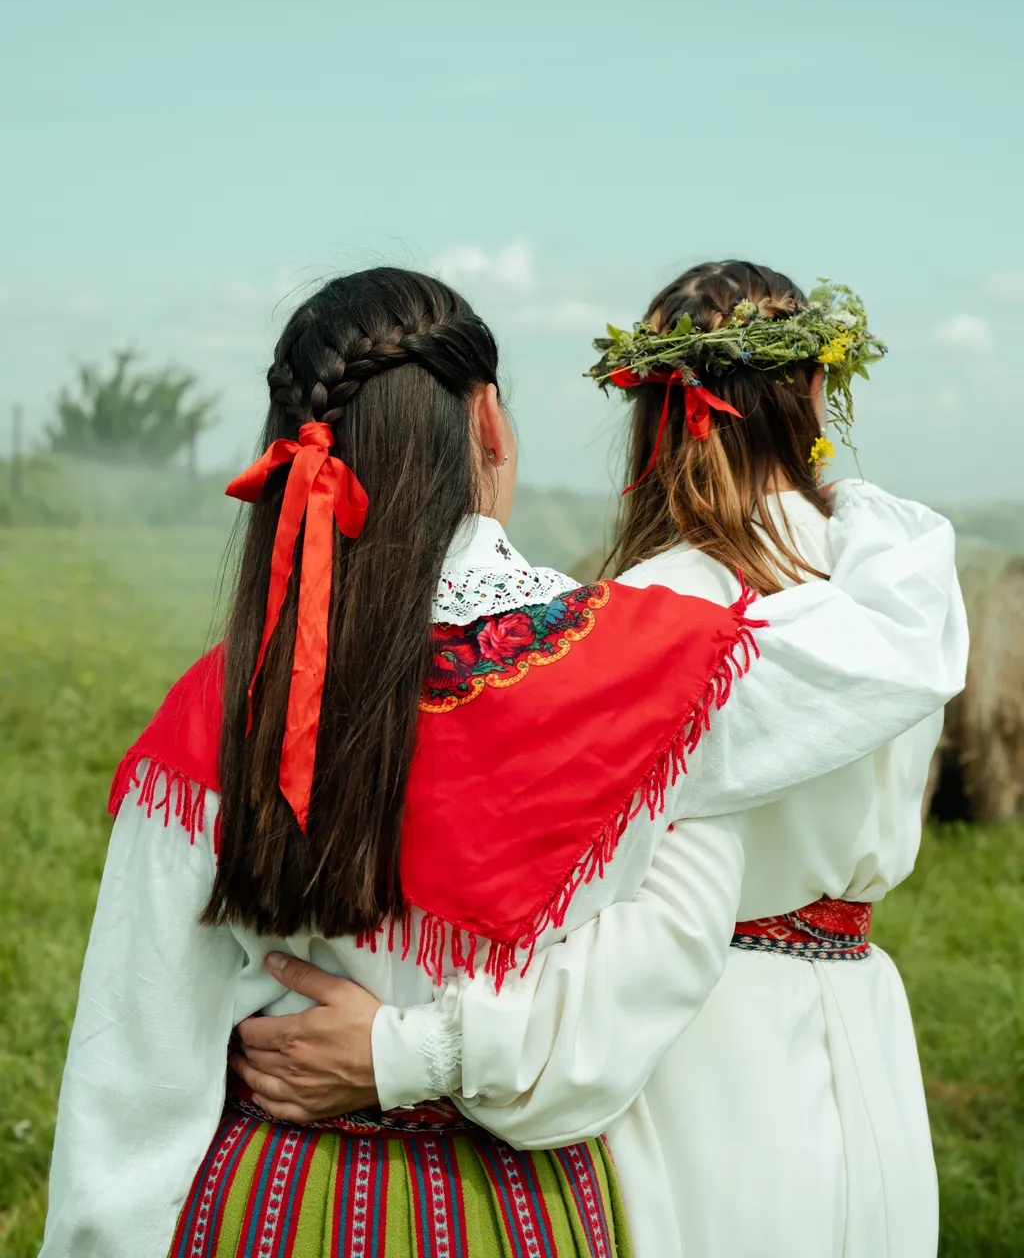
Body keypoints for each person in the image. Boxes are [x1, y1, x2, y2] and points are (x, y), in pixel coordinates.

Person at [41, 266, 965, 1258]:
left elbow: (129, 1086)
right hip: (510, 1204)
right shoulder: (619, 669)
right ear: (488, 421)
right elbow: (889, 653)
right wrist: (842, 493)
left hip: (276, 1200)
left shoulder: (216, 708)